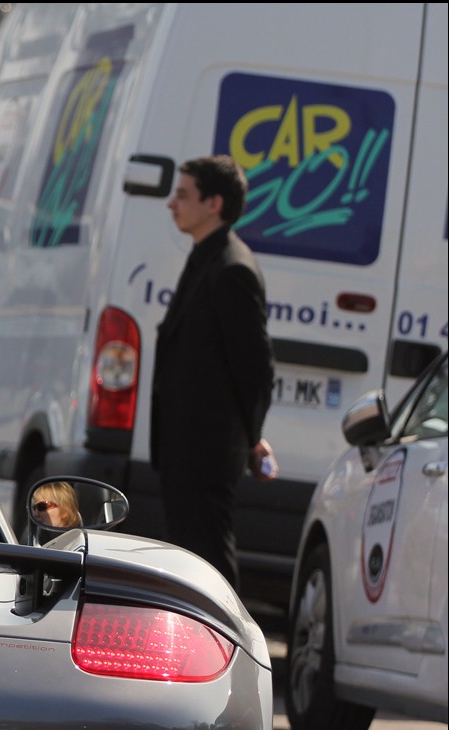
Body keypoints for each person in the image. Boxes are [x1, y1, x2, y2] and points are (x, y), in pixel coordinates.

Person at [152, 155, 278, 589]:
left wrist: (250, 436)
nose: (172, 204)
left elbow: (255, 366)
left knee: (209, 566)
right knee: (189, 566)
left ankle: (227, 632)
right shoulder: (207, 258)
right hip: (186, 448)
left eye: (183, 195)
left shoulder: (232, 268)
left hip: (205, 452)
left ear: (214, 204)